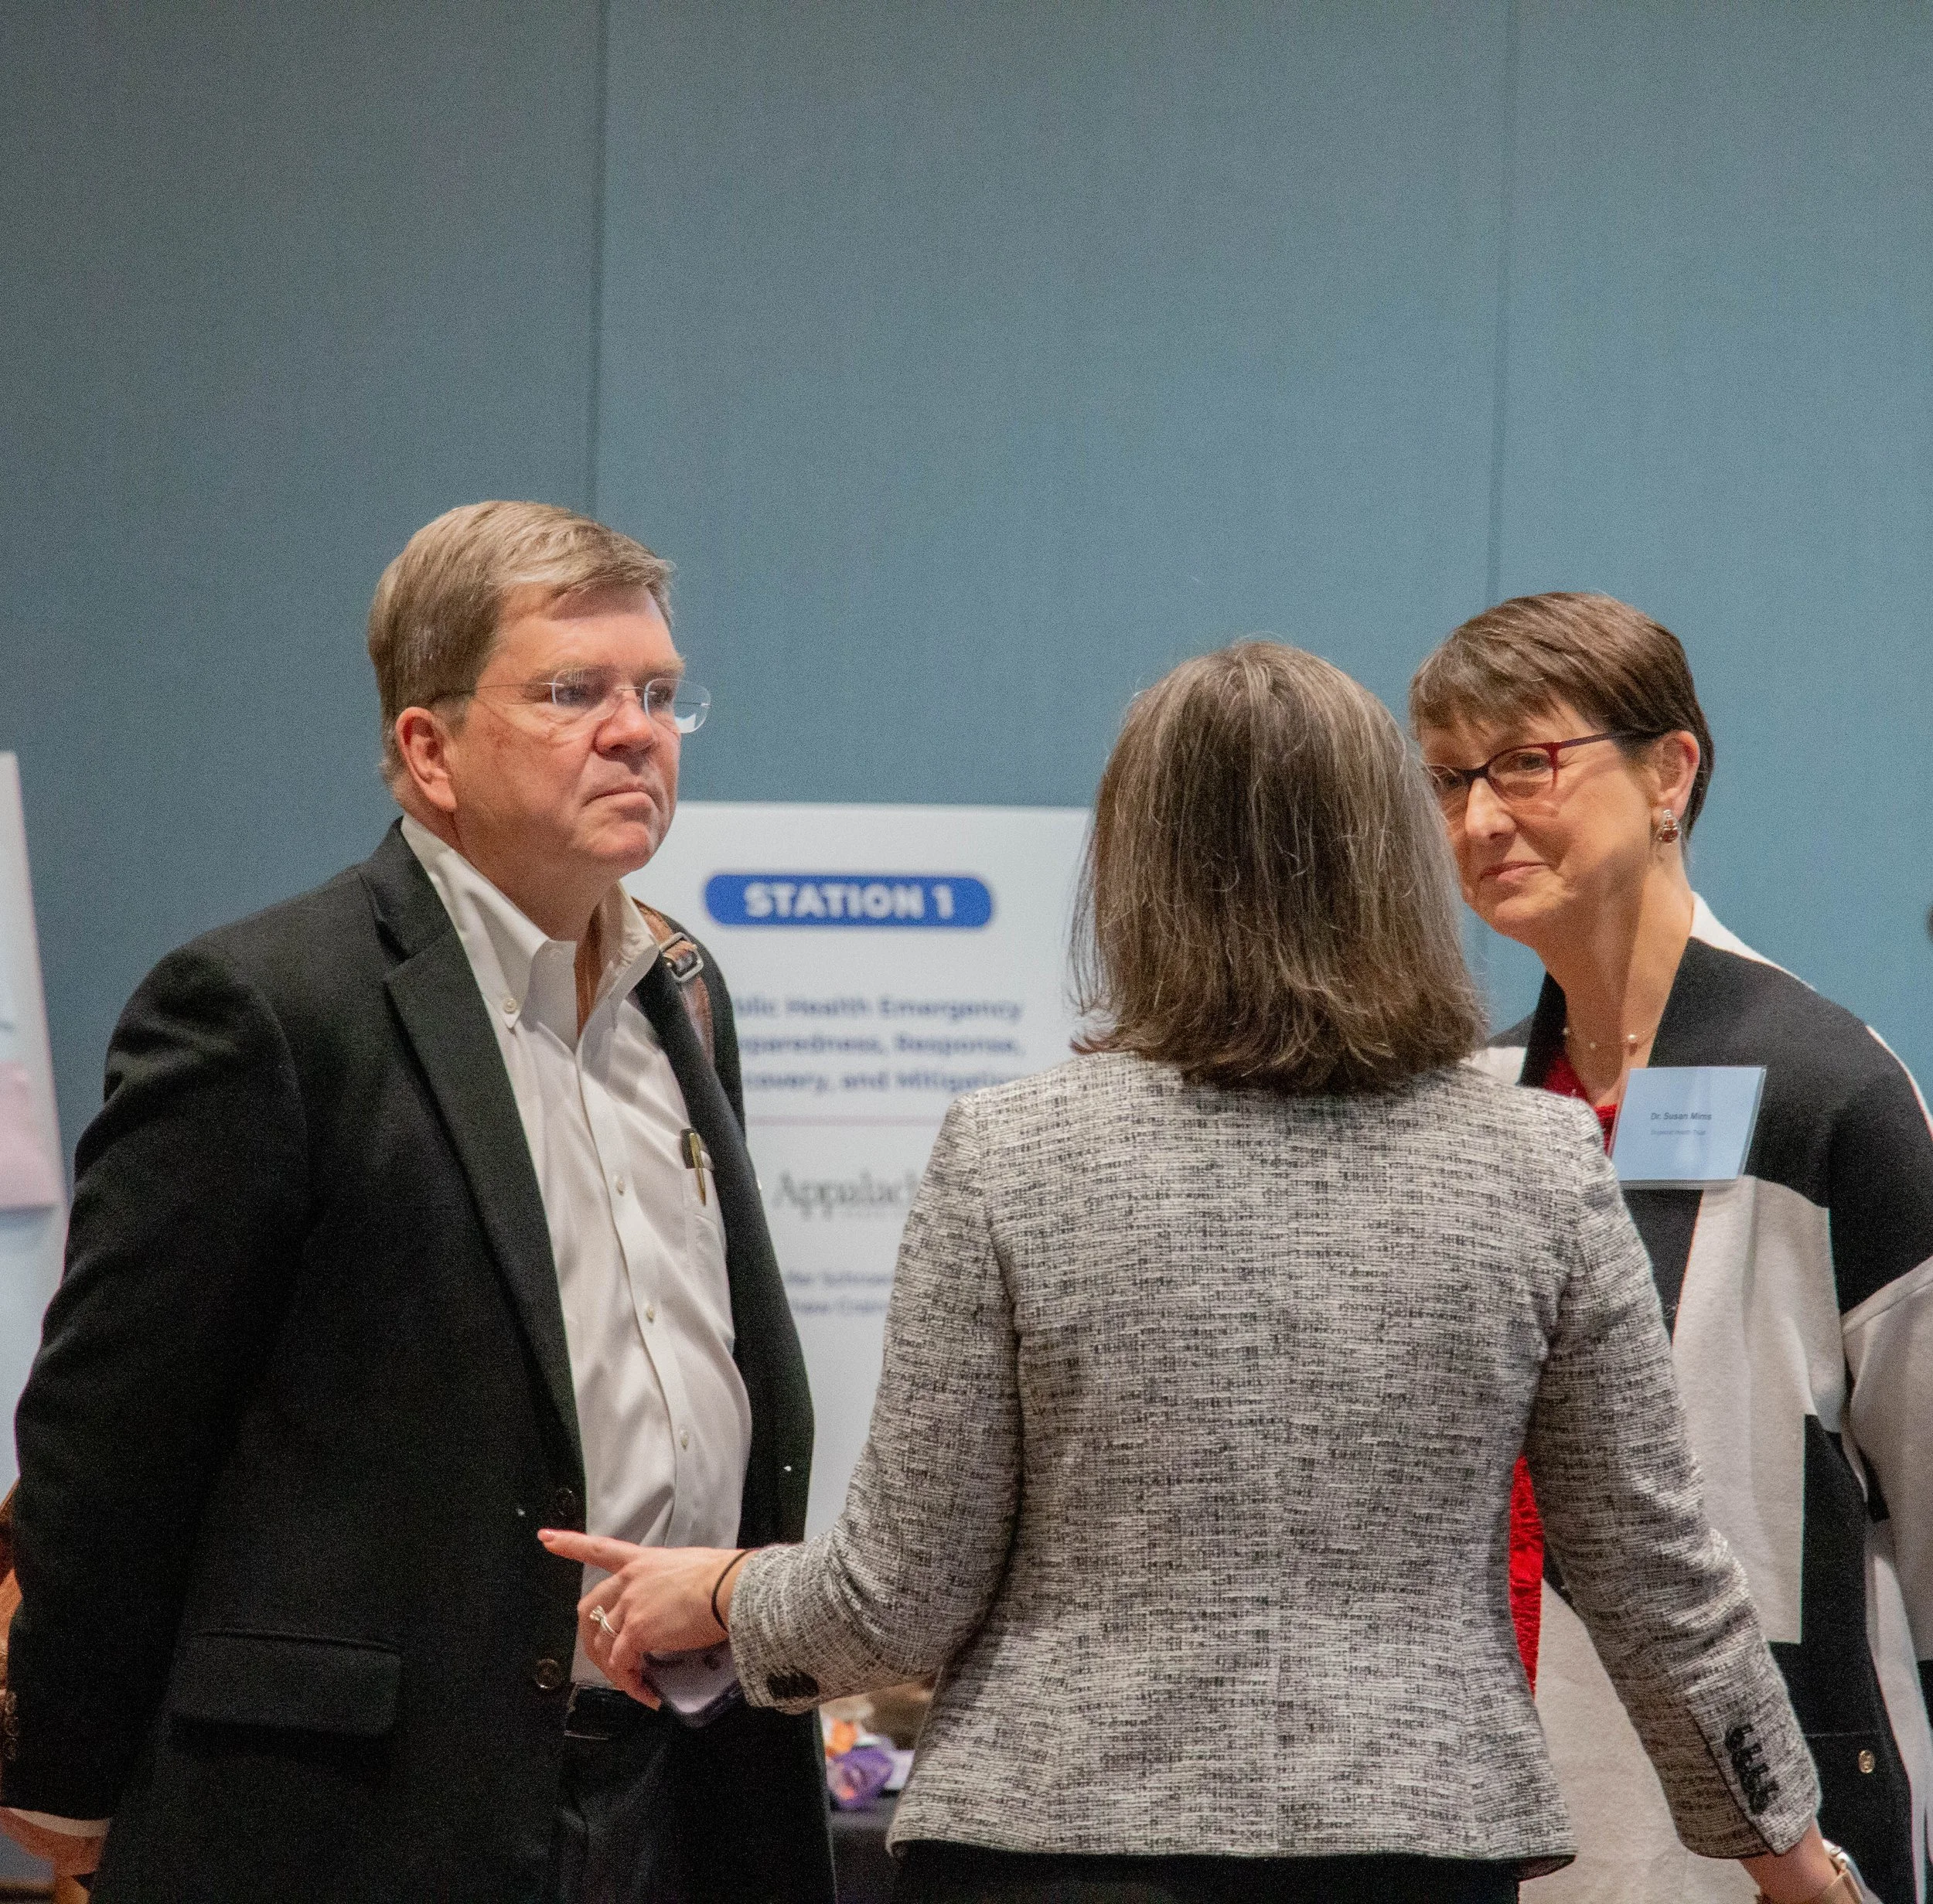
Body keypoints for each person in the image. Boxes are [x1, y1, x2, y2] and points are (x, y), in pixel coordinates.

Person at [544, 642, 1853, 1903]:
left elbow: (895, 1603)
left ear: (1136, 865)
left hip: (1042, 1847)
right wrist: (1793, 1856)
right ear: (1390, 856)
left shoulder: (1010, 1153)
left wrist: (714, 1587)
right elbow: (1658, 1575)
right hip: (1413, 1853)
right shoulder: (1540, 1161)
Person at [0, 502, 835, 1902]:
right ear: (427, 751)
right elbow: (113, 1438)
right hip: (360, 1814)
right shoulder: (265, 1009)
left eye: (659, 692)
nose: (636, 729)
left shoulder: (683, 991)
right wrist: (64, 1771)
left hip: (678, 1785)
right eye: (573, 692)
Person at [1411, 592, 1933, 1904]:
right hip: (1498, 1818)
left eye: (1525, 763)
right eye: (1449, 779)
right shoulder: (1470, 1107)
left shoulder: (1836, 1096)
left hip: (1774, 1845)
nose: (1479, 818)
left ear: (1669, 771)